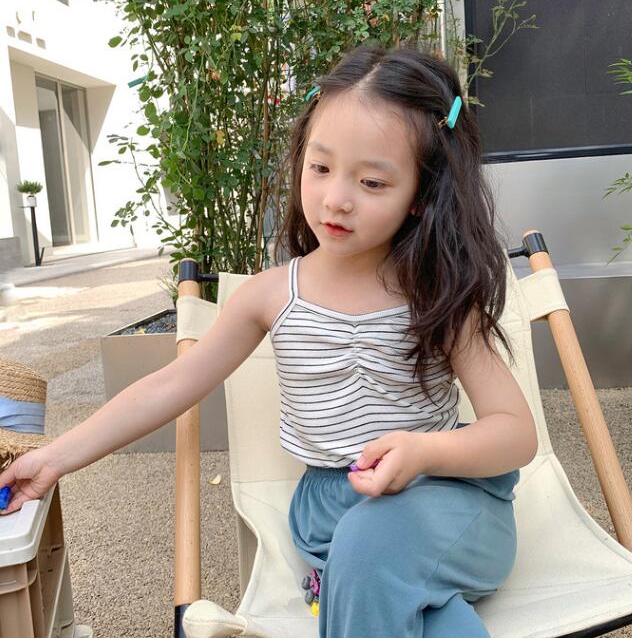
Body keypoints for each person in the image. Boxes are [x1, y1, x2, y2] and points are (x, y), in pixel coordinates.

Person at [0, 44, 537, 637]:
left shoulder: (439, 297)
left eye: (372, 181)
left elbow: (515, 433)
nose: (336, 198)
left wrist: (422, 453)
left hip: (451, 505)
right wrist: (53, 459)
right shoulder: (271, 296)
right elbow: (169, 387)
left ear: (420, 194)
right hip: (335, 519)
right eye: (320, 167)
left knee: (370, 550)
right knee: (432, 615)